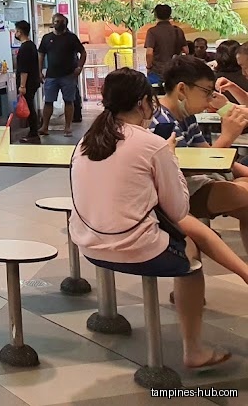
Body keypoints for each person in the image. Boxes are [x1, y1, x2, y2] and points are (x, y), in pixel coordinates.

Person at [70, 68, 248, 371]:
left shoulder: (87, 140)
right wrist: (171, 160)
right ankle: (194, 350)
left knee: (192, 230)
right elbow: (178, 209)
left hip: (88, 244)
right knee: (191, 250)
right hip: (137, 249)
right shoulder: (152, 143)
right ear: (143, 103)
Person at [152, 56, 248, 256]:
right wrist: (227, 137)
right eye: (206, 92)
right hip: (178, 194)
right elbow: (191, 167)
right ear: (182, 89)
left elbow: (206, 154)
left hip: (195, 184)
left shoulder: (186, 116)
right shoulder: (163, 122)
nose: (210, 99)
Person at [38, 13, 86, 137]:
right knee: (48, 101)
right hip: (51, 75)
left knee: (68, 101)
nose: (58, 24)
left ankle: (68, 127)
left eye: (61, 22)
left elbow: (83, 52)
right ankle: (45, 126)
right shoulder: (47, 38)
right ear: (52, 23)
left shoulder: (71, 38)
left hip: (68, 75)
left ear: (65, 23)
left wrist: (79, 67)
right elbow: (41, 54)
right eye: (56, 21)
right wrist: (39, 70)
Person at [144, 4, 187, 84]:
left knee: (155, 91)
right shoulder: (178, 30)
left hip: (157, 72)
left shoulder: (152, 31)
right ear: (170, 15)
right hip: (174, 71)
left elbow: (149, 53)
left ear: (155, 15)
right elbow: (186, 50)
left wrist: (149, 67)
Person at [14, 21, 41, 143]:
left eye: (16, 31)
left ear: (20, 32)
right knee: (30, 105)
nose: (15, 33)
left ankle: (33, 132)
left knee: (29, 106)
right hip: (33, 81)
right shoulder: (31, 45)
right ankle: (33, 131)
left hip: (28, 83)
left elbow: (24, 69)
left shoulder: (25, 48)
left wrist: (22, 85)